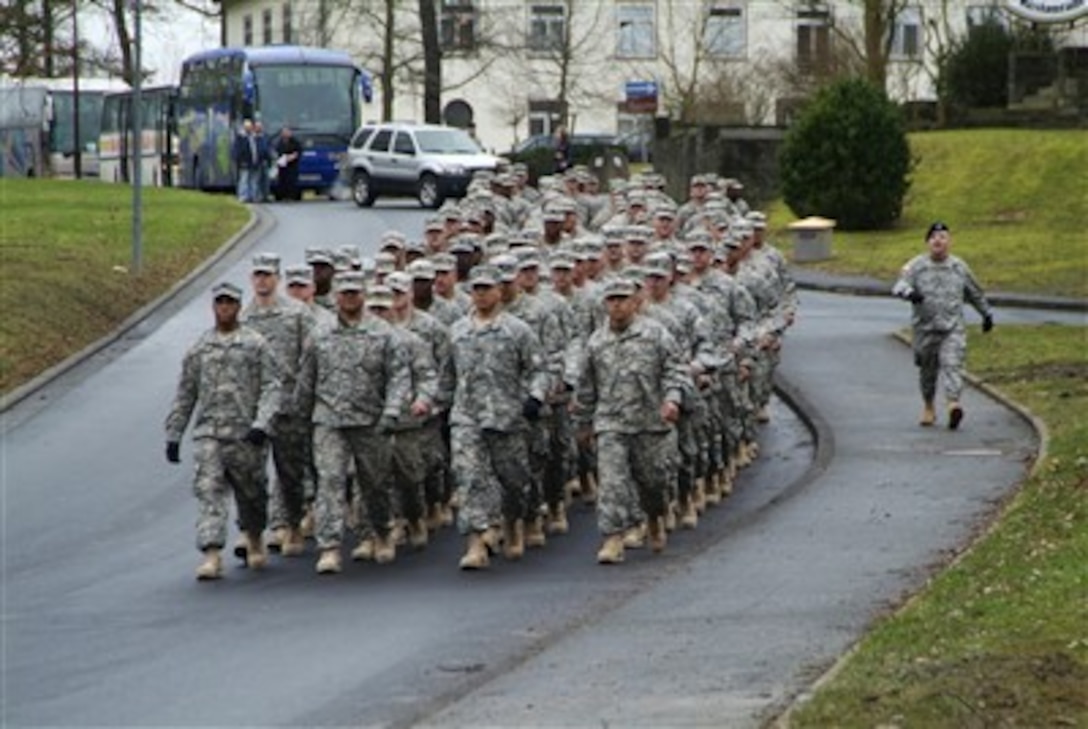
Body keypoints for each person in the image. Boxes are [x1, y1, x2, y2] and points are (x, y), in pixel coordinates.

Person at [294, 271, 412, 574]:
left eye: (354, 293)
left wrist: (391, 412)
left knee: (374, 484)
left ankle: (380, 531)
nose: (349, 298)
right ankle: (330, 547)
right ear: (336, 296)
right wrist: (301, 416)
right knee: (330, 480)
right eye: (344, 293)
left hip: (370, 421)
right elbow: (306, 379)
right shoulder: (320, 334)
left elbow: (399, 378)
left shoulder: (384, 334)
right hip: (329, 420)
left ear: (363, 295)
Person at [164, 282, 282, 581]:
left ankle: (254, 536)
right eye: (220, 303)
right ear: (214, 307)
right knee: (208, 490)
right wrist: (174, 433)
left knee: (252, 493)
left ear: (239, 307)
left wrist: (262, 424)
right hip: (210, 433)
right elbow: (186, 392)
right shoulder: (201, 348)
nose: (225, 307)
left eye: (230, 302)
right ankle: (211, 554)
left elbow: (272, 387)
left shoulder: (256, 344)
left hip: (245, 435)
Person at [440, 265, 549, 570]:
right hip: (467, 417)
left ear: (500, 292)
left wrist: (534, 397)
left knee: (513, 481)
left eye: (488, 288)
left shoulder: (517, 330)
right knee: (470, 476)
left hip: (507, 417)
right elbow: (448, 375)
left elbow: (538, 369)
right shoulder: (458, 331)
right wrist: (440, 408)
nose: (482, 295)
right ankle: (475, 542)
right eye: (477, 289)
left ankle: (513, 523)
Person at [576, 278, 689, 564]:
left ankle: (654, 517)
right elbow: (587, 387)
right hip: (611, 423)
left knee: (653, 483)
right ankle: (613, 538)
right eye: (611, 299)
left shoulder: (655, 334)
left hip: (650, 423)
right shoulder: (596, 342)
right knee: (612, 480)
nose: (617, 305)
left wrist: (672, 399)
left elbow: (674, 369)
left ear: (635, 302)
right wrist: (584, 423)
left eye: (622, 299)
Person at [239, 253, 316, 559]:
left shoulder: (297, 314)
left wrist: (305, 398)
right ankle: (253, 531)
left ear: (278, 279)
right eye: (258, 275)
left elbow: (312, 359)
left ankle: (294, 525)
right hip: (254, 409)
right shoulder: (243, 318)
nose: (262, 280)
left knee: (291, 473)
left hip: (289, 407)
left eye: (268, 275)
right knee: (250, 474)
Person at [893, 222, 994, 429]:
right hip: (925, 329)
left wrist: (986, 315)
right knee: (927, 371)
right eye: (934, 237)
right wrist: (910, 294)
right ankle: (929, 407)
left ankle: (953, 404)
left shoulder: (959, 267)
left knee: (952, 364)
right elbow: (899, 286)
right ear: (928, 242)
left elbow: (975, 293)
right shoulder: (916, 266)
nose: (938, 240)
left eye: (943, 237)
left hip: (952, 328)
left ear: (949, 242)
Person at [274, 126, 303, 201]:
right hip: (282, 165)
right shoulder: (278, 142)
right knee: (282, 181)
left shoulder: (295, 142)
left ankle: (291, 196)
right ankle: (282, 196)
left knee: (291, 181)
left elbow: (299, 151)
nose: (286, 134)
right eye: (284, 132)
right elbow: (276, 151)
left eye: (288, 132)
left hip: (292, 165)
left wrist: (293, 156)